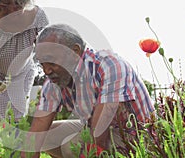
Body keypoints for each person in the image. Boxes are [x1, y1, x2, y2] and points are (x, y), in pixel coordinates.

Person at [20, 24, 155, 158]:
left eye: (52, 62)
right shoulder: (55, 81)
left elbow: (99, 133)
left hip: (138, 136)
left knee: (72, 145)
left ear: (75, 52)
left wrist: (89, 152)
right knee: (46, 135)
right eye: (42, 64)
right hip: (95, 130)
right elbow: (38, 128)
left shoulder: (110, 65)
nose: (46, 71)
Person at [0, 0, 48, 148]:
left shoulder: (38, 16)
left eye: (15, 6)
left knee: (17, 114)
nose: (7, 10)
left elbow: (44, 46)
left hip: (20, 71)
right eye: (3, 5)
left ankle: (16, 153)